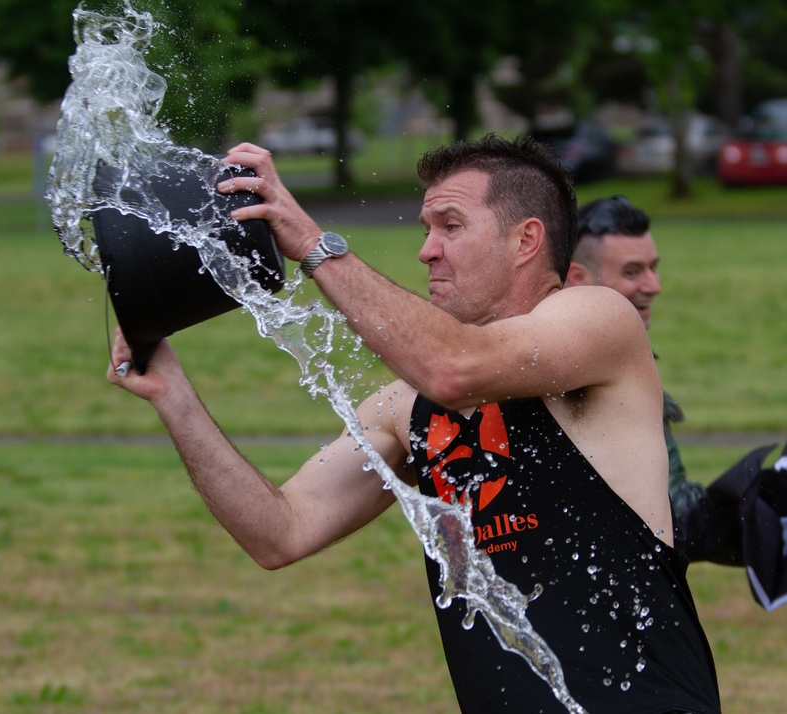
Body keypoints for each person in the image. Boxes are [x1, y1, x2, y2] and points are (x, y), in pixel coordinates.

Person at [106, 135, 721, 712]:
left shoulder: (598, 320)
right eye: (427, 229)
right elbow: (280, 532)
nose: (427, 249)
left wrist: (312, 243)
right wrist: (172, 396)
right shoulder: (406, 406)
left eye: (450, 226)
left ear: (526, 240)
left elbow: (456, 367)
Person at [567, 195, 787, 611]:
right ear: (577, 277)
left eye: (654, 267)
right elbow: (664, 516)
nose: (654, 285)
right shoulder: (573, 366)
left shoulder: (584, 351)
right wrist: (761, 512)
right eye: (633, 271)